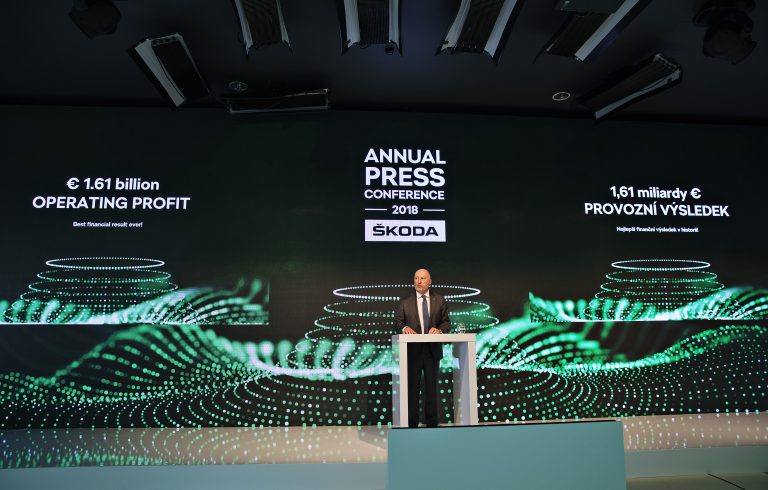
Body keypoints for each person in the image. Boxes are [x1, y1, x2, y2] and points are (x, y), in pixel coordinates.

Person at [395, 268, 450, 428]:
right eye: (416, 278)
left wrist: (439, 330)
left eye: (422, 278)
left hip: (432, 351)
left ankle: (432, 424)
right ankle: (411, 424)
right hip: (412, 352)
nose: (419, 281)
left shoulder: (439, 300)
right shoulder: (405, 301)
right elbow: (397, 322)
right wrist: (405, 328)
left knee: (431, 389)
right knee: (412, 389)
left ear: (430, 281)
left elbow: (446, 323)